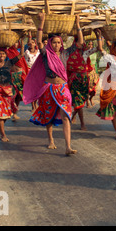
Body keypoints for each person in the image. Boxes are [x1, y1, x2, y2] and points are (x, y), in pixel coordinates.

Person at [22, 13, 77, 156]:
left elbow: (79, 44)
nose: (57, 45)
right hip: (49, 89)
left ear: (62, 44)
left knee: (66, 116)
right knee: (49, 116)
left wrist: (77, 25)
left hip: (63, 89)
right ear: (50, 43)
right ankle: (51, 140)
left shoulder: (65, 55)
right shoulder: (46, 54)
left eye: (59, 43)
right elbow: (39, 42)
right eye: (54, 42)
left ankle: (68, 146)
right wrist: (42, 22)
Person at [67, 28, 104, 130]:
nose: (80, 43)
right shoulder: (69, 53)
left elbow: (99, 48)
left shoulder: (85, 53)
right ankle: (82, 123)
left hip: (83, 80)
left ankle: (73, 116)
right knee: (78, 101)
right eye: (78, 41)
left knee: (81, 100)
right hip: (74, 80)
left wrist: (98, 36)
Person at [7, 40, 29, 121]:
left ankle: (15, 113)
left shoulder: (20, 51)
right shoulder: (7, 52)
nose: (15, 44)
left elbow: (22, 54)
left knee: (18, 96)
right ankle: (11, 111)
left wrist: (23, 43)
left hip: (20, 76)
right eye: (14, 42)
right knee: (12, 95)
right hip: (11, 76)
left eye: (17, 42)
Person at [24, 36, 40, 112]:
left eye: (33, 42)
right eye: (29, 43)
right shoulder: (26, 52)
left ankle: (35, 103)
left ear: (35, 43)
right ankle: (33, 106)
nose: (31, 44)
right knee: (32, 89)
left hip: (37, 72)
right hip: (29, 72)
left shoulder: (39, 51)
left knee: (37, 89)